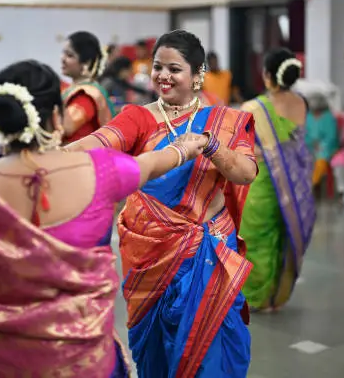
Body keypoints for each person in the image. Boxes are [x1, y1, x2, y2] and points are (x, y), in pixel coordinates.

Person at [0, 59, 208, 377]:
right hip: (81, 362)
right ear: (55, 116)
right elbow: (150, 163)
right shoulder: (101, 170)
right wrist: (188, 147)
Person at [68, 29, 258, 377]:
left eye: (174, 69)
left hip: (207, 249)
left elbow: (245, 173)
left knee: (208, 352)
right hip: (150, 251)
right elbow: (98, 142)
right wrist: (52, 156)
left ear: (197, 73)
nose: (163, 76)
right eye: (158, 67)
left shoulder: (224, 122)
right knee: (155, 348)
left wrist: (209, 145)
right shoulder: (139, 117)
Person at [239, 48, 316, 312]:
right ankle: (276, 297)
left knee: (255, 238)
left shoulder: (253, 108)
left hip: (261, 184)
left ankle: (255, 298)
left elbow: (240, 146)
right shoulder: (302, 103)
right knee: (281, 236)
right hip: (296, 184)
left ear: (268, 75)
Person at [60, 31, 116, 143]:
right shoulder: (72, 88)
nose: (62, 58)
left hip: (80, 158)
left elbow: (66, 127)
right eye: (63, 53)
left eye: (70, 55)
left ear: (86, 63)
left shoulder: (87, 94)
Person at [305, 92, 339, 193]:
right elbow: (304, 134)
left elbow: (331, 136)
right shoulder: (308, 117)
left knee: (321, 158)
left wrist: (320, 145)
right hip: (309, 145)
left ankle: (311, 185)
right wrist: (310, 142)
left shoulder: (329, 117)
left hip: (327, 146)